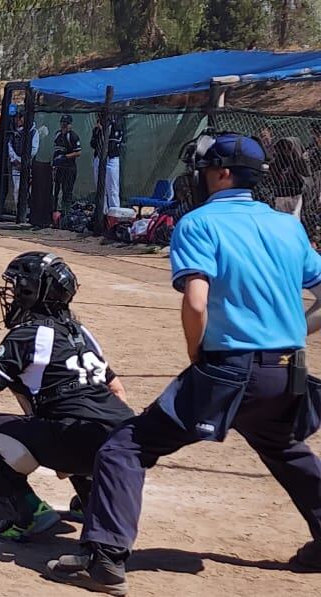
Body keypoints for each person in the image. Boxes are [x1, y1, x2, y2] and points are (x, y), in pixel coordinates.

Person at [44, 133, 321, 595]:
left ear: (224, 173)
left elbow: (196, 303)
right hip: (287, 369)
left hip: (229, 367)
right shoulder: (288, 226)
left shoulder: (200, 223)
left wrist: (197, 353)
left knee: (125, 448)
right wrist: (291, 330)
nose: (200, 175)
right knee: (285, 448)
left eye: (208, 167)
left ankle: (106, 555)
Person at [0, 252, 135, 542]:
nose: (10, 295)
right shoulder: (80, 331)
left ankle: (28, 512)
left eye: (17, 287)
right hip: (125, 439)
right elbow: (117, 390)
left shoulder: (28, 335)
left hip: (79, 440)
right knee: (74, 417)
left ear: (32, 292)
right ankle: (92, 504)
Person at [91, 113, 123, 210]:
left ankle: (114, 212)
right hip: (98, 158)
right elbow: (92, 144)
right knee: (100, 189)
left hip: (111, 160)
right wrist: (99, 131)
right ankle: (102, 212)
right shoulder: (97, 129)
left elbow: (112, 146)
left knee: (112, 189)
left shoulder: (115, 127)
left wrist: (104, 132)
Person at [8, 111, 40, 208]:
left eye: (19, 118)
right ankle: (18, 209)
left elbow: (34, 149)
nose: (17, 120)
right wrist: (15, 159)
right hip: (16, 165)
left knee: (28, 188)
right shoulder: (14, 132)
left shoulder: (34, 132)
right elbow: (10, 146)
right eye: (16, 118)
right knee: (17, 188)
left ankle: (29, 209)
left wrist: (23, 160)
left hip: (28, 165)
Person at [52, 115, 82, 208]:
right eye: (63, 123)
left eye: (66, 123)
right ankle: (54, 210)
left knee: (67, 191)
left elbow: (78, 152)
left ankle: (66, 213)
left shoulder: (73, 136)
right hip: (58, 167)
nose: (64, 125)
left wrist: (65, 157)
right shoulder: (58, 134)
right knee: (55, 190)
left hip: (69, 167)